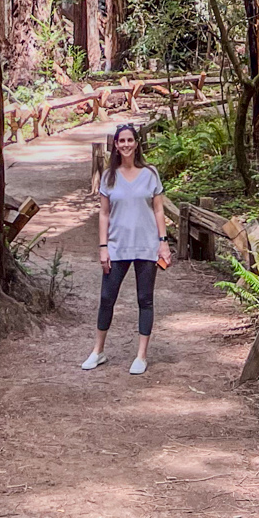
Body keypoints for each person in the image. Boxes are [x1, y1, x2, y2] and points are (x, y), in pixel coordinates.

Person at [82, 121, 170, 375]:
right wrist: (103, 247)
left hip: (147, 246)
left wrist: (163, 243)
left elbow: (158, 209)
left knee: (145, 300)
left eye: (130, 140)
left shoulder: (150, 174)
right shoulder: (109, 177)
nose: (126, 145)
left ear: (137, 143)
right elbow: (104, 215)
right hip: (117, 247)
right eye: (121, 141)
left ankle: (141, 355)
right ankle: (98, 351)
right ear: (116, 146)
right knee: (107, 298)